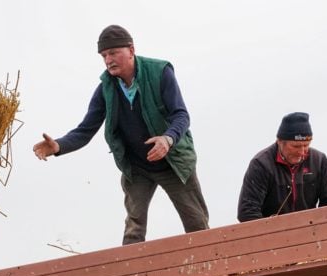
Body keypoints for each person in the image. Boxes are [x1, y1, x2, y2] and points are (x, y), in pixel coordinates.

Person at [32, 24, 209, 245]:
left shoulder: (160, 72)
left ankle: (213, 272)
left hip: (173, 162)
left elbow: (181, 115)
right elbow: (85, 130)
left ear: (131, 50)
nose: (108, 60)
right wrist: (58, 146)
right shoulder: (106, 89)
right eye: (104, 55)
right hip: (137, 166)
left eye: (113, 53)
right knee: (134, 229)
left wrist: (167, 138)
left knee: (196, 222)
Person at [237, 112, 327, 222]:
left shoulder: (319, 161)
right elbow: (247, 212)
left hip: (311, 231)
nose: (302, 152)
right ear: (279, 141)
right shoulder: (261, 165)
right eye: (296, 146)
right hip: (272, 234)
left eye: (306, 145)